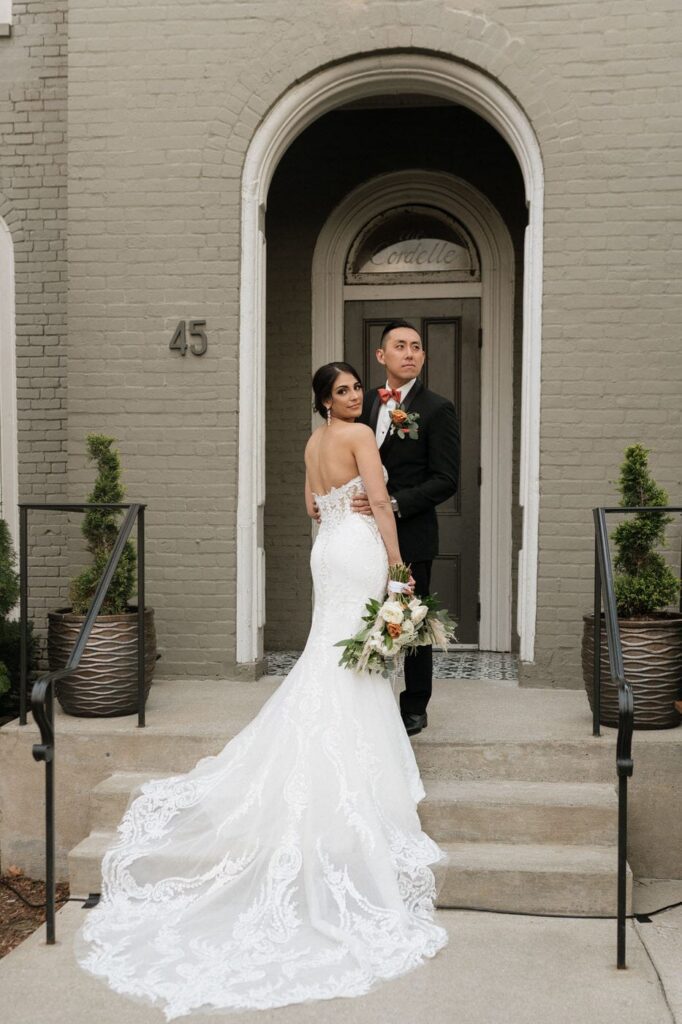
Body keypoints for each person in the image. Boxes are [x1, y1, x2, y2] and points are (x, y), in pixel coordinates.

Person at [74, 361, 448, 1020]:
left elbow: (311, 505)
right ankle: (363, 783)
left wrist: (342, 515)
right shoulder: (359, 434)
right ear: (327, 401)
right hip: (359, 549)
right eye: (343, 391)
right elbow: (383, 502)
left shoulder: (311, 443)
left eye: (358, 387)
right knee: (352, 665)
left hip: (328, 548)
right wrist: (397, 569)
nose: (355, 395)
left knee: (331, 661)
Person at [352, 320, 459, 737]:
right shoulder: (363, 407)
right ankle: (364, 698)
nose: (410, 353)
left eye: (417, 347)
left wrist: (393, 504)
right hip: (361, 536)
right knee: (363, 615)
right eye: (400, 346)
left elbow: (447, 479)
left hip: (412, 532)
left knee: (411, 622)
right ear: (382, 356)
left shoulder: (437, 409)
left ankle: (415, 705)